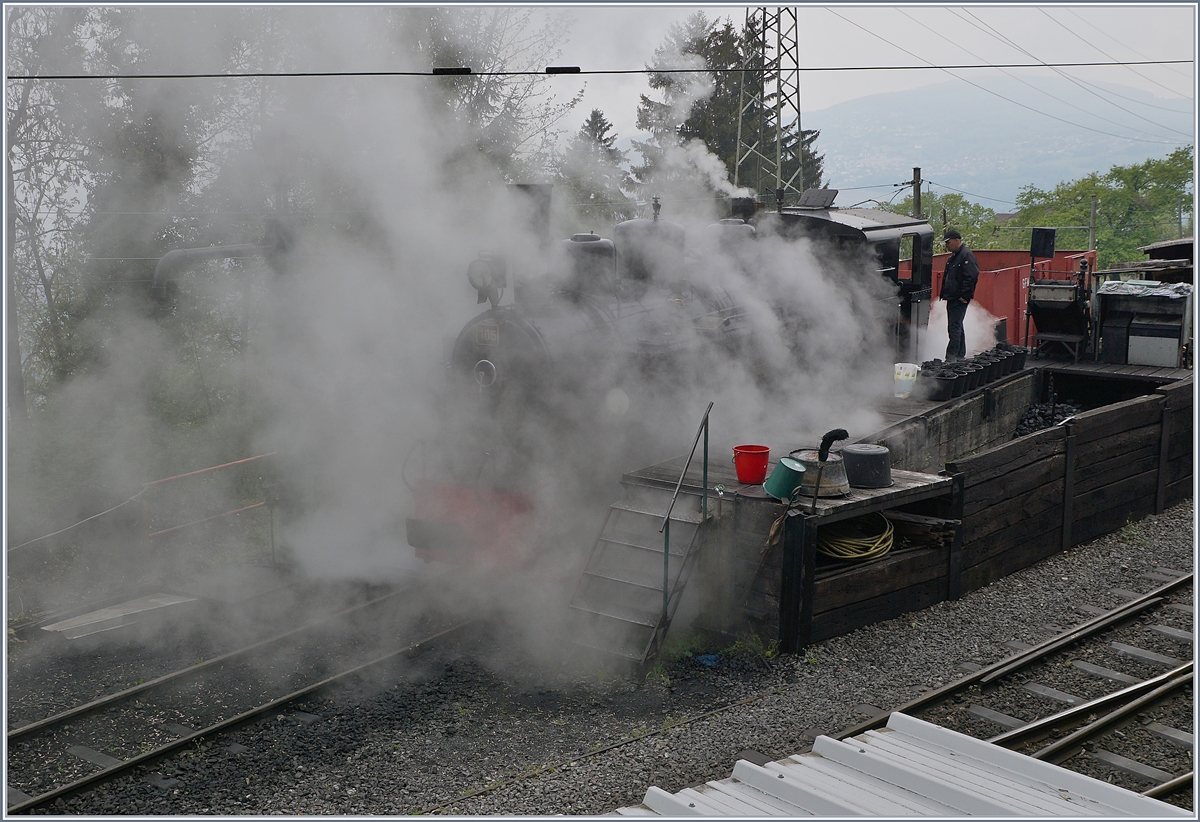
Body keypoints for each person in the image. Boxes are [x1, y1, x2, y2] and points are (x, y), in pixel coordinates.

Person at [940, 229, 979, 361]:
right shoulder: (956, 256)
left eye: (948, 242)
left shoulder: (965, 255)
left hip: (958, 298)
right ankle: (959, 354)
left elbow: (972, 275)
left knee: (954, 327)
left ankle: (951, 357)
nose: (947, 245)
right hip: (953, 296)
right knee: (957, 325)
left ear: (957, 240)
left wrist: (965, 295)